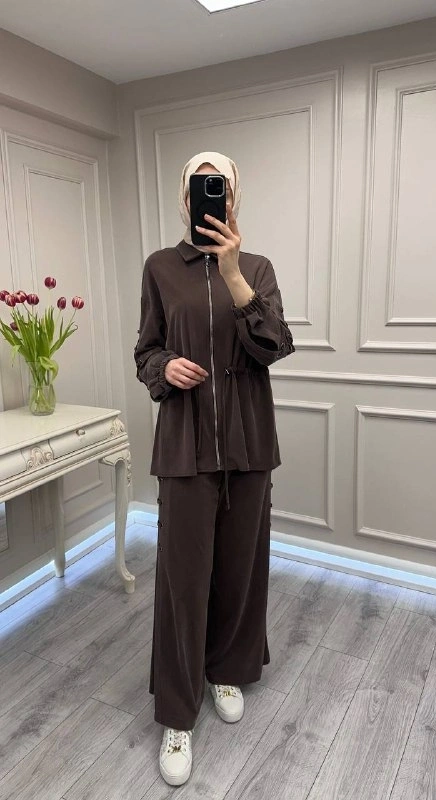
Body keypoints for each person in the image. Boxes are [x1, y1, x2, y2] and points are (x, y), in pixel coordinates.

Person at [134, 151, 295, 786]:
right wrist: (164, 367)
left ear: (234, 198)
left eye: (219, 186)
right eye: (199, 186)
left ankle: (226, 669)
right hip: (185, 442)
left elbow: (275, 345)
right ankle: (178, 713)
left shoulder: (256, 268)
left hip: (248, 442)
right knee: (183, 578)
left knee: (240, 565)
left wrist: (231, 271)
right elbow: (146, 349)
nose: (209, 195)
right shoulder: (159, 267)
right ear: (185, 199)